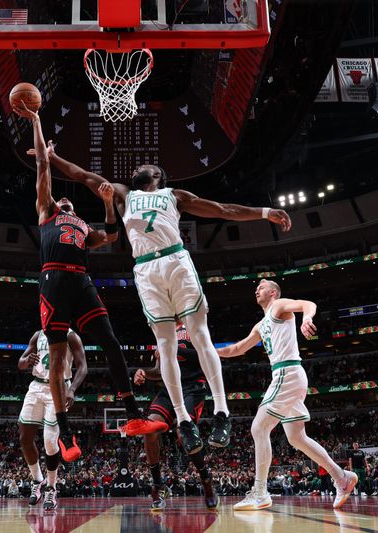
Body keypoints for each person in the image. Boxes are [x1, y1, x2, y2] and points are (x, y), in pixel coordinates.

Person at [40, 144, 291, 455]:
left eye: (140, 167)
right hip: (145, 270)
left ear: (156, 174)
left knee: (200, 336)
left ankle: (222, 414)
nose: (133, 171)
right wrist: (51, 158)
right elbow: (80, 176)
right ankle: (184, 421)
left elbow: (223, 209)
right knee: (165, 346)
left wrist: (265, 213)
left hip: (176, 262)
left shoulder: (175, 196)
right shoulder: (121, 194)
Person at [14, 102, 166, 463]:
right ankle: (65, 433)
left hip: (81, 282)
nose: (65, 199)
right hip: (53, 281)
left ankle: (132, 415)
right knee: (56, 359)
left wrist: (109, 204)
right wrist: (37, 121)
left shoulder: (83, 227)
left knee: (111, 342)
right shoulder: (47, 212)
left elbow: (112, 236)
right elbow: (41, 168)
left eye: (68, 199)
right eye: (61, 197)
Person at [217, 280, 357, 510]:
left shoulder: (278, 305)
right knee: (296, 438)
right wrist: (204, 353)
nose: (257, 289)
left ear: (273, 292)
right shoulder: (261, 325)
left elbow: (307, 304)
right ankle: (342, 477)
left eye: (261, 287)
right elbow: (236, 349)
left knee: (259, 428)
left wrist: (308, 318)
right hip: (287, 376)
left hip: (287, 373)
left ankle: (260, 492)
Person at [133, 322, 218, 511]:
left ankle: (206, 480)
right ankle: (157, 485)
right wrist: (144, 372)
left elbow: (205, 354)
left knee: (183, 433)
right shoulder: (163, 331)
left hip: (193, 387)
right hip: (169, 388)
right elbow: (159, 371)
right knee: (150, 429)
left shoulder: (194, 324)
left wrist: (171, 349)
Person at [18, 328, 87, 511]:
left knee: (50, 442)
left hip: (59, 388)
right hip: (36, 387)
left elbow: (83, 367)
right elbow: (21, 363)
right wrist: (26, 361)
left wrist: (71, 389)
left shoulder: (71, 336)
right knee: (24, 438)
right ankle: (37, 480)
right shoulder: (37, 334)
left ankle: (51, 487)